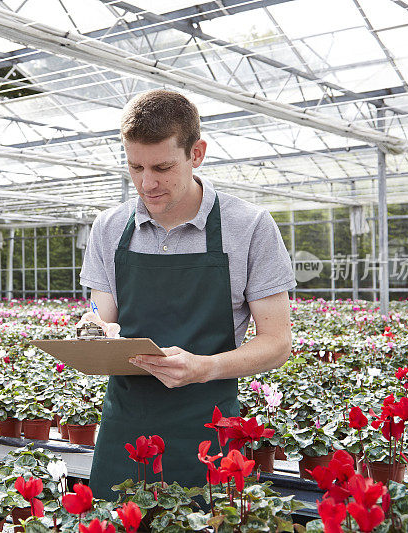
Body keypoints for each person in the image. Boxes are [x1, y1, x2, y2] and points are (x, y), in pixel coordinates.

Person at [79, 89, 296, 499]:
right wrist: (93, 327)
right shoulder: (109, 227)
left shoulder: (249, 227)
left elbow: (277, 342)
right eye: (135, 166)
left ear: (196, 153)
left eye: (162, 167)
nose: (147, 183)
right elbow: (100, 311)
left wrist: (204, 367)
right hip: (125, 426)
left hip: (207, 432)